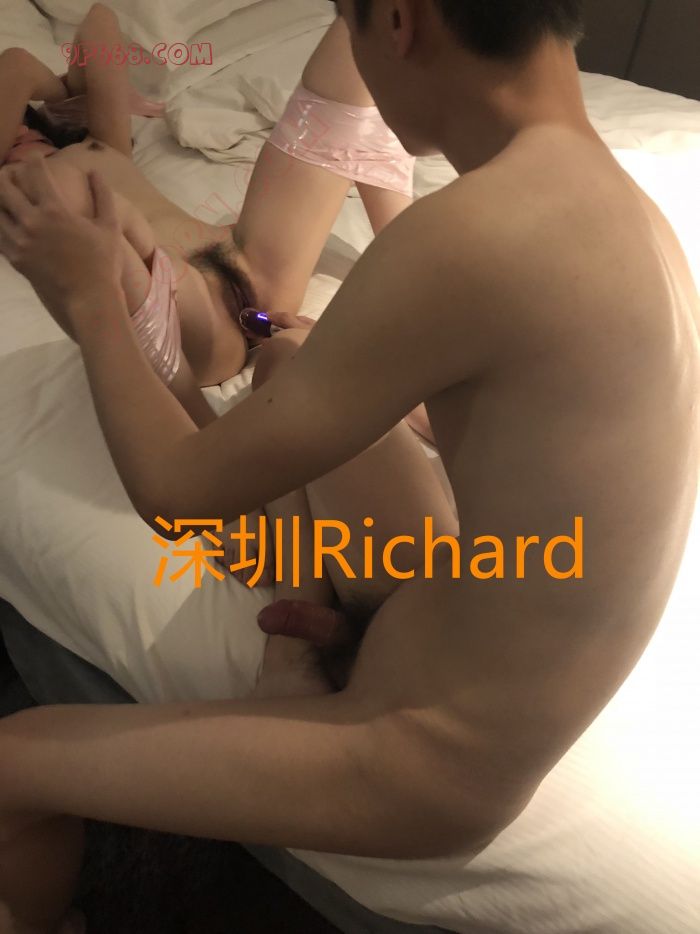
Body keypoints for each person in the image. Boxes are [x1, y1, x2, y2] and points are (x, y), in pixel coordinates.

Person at [0, 1, 699, 932]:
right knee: (288, 356)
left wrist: (89, 297)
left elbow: (174, 496)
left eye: (347, 21)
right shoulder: (626, 212)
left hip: (423, 755)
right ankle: (302, 619)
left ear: (398, 22)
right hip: (447, 600)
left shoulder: (475, 235)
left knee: (12, 765)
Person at [1, 3, 416, 425]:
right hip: (182, 319)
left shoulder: (103, 145)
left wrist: (68, 93)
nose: (18, 129)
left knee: (357, 38)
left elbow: (99, 22)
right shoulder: (16, 198)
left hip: (252, 264)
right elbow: (14, 66)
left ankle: (416, 263)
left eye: (22, 121)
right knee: (87, 207)